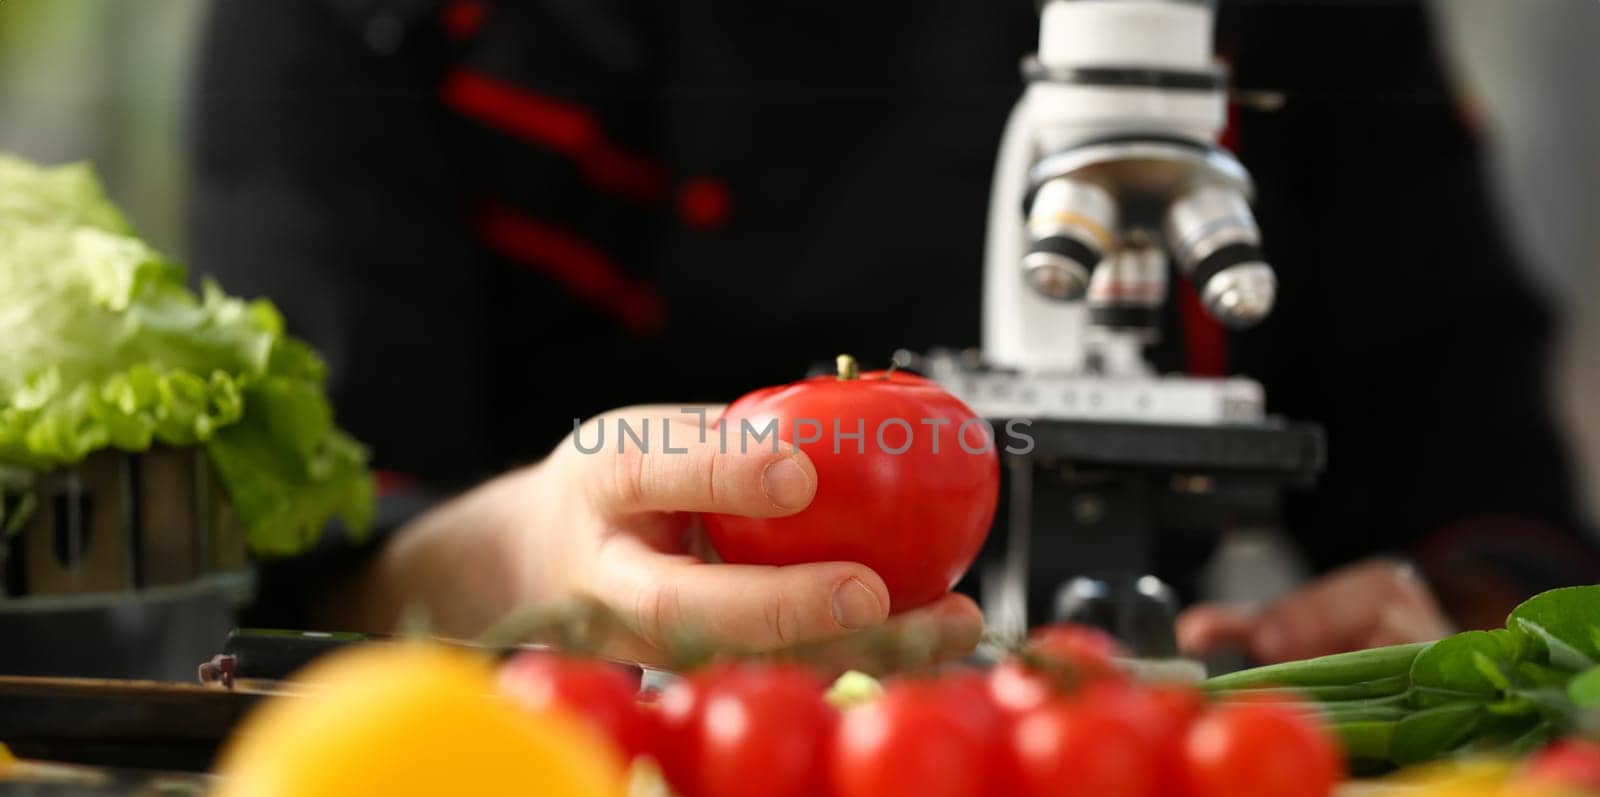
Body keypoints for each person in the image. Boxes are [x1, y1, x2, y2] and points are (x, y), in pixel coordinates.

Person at [185, 0, 1597, 667]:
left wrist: (1433, 639)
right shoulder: (371, 30)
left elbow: (1503, 508)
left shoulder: (1313, 32)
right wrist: (495, 568)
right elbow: (277, 562)